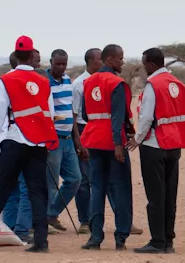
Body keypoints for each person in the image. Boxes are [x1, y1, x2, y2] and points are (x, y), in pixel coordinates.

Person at [0, 36, 58, 253]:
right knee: (37, 192)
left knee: (0, 190)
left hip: (13, 141)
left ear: (15, 55)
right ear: (32, 55)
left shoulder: (6, 80)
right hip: (37, 144)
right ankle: (41, 241)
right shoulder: (43, 82)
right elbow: (50, 114)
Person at [127, 48, 185, 254]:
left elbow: (146, 117)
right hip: (175, 145)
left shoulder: (153, 85)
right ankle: (168, 241)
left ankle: (157, 241)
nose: (143, 68)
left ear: (152, 65)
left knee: (156, 196)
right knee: (169, 195)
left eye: (144, 63)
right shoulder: (178, 84)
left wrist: (137, 139)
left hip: (154, 146)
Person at [79, 44, 135, 250]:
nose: (123, 61)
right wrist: (118, 144)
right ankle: (121, 236)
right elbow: (120, 116)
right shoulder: (117, 83)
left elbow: (85, 114)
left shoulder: (88, 82)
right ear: (110, 60)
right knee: (120, 188)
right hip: (113, 143)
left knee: (97, 188)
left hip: (93, 140)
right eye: (120, 58)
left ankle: (95, 236)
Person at [44, 49, 85, 233]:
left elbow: (71, 112)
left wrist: (77, 139)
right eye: (57, 64)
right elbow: (46, 113)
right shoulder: (44, 82)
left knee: (75, 179)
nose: (61, 67)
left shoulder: (68, 81)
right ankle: (43, 220)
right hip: (53, 140)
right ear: (51, 62)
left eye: (64, 64)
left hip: (68, 139)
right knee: (50, 184)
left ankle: (52, 213)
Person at [0, 52, 33, 243]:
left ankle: (8, 227)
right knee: (25, 187)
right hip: (20, 141)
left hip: (4, 141)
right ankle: (21, 229)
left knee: (11, 188)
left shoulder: (4, 83)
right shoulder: (20, 84)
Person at [70, 48, 102, 236]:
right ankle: (84, 220)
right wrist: (78, 141)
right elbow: (74, 115)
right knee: (83, 179)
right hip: (83, 130)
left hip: (100, 130)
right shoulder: (78, 84)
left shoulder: (105, 81)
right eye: (99, 59)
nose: (102, 62)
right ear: (90, 61)